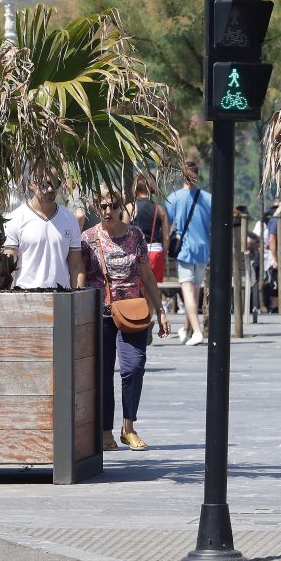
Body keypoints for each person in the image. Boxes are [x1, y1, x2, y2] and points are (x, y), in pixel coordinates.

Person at [85, 188, 170, 451]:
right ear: (96, 208)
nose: (108, 210)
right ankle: (105, 432)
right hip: (101, 313)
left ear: (121, 206)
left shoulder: (135, 235)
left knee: (133, 367)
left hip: (133, 311)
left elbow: (146, 275)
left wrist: (161, 310)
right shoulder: (89, 238)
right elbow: (80, 275)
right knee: (103, 373)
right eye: (102, 206)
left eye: (112, 205)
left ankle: (128, 427)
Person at [3, 172, 85, 290]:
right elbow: (8, 265)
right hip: (25, 297)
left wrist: (78, 300)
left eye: (55, 183)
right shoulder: (15, 219)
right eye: (44, 184)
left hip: (62, 298)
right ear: (31, 185)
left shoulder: (70, 219)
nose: (51, 189)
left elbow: (76, 265)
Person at [166, 158, 213, 347]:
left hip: (185, 248)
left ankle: (197, 332)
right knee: (194, 292)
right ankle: (186, 329)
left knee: (187, 290)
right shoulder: (208, 198)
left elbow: (166, 222)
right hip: (203, 248)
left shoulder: (174, 198)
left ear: (181, 176)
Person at [125, 176, 170, 284]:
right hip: (155, 252)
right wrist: (163, 256)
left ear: (134, 189)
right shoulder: (160, 209)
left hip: (136, 253)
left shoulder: (130, 208)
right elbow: (166, 237)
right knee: (153, 289)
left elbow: (124, 233)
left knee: (137, 290)